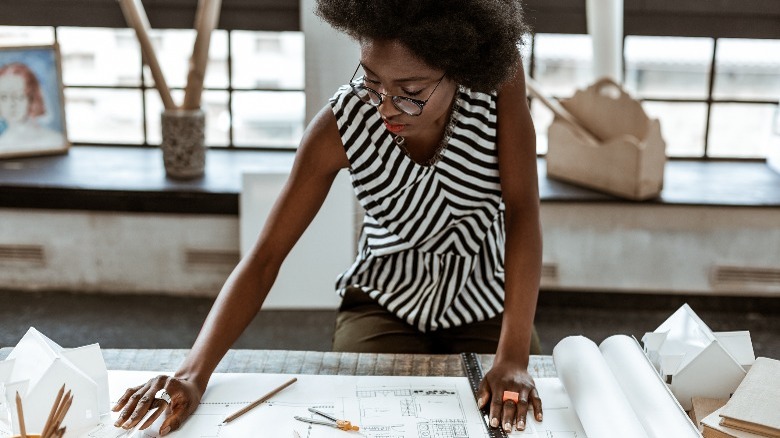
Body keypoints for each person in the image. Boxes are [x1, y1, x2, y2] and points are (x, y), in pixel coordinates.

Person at [113, 0, 543, 435]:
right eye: (372, 81)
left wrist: (513, 356)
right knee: (365, 417)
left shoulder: (497, 87)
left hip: (489, 295)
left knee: (518, 416)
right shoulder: (339, 127)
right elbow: (264, 259)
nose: (386, 108)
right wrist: (192, 373)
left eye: (410, 93)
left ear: (461, 70)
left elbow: (523, 210)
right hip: (385, 298)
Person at [0, 62, 65, 150]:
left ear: (32, 98)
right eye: (4, 97)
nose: (12, 104)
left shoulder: (55, 141)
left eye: (19, 97)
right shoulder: (3, 144)